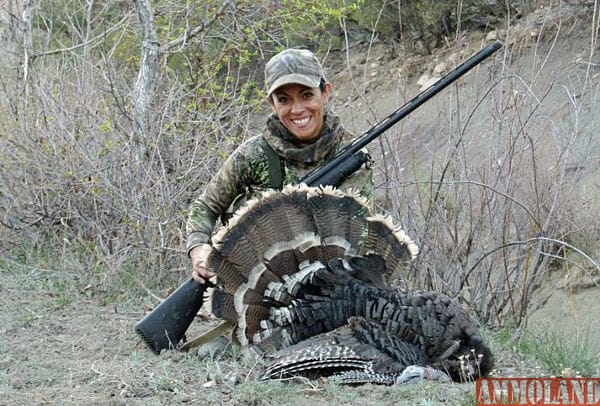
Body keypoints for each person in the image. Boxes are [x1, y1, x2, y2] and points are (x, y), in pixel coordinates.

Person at [186, 48, 373, 286]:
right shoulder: (253, 154)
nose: (297, 109)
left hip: (326, 282)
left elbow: (357, 233)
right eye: (284, 99)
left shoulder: (351, 157)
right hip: (250, 283)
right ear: (271, 104)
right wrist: (198, 248)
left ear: (326, 92)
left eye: (307, 95)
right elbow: (205, 206)